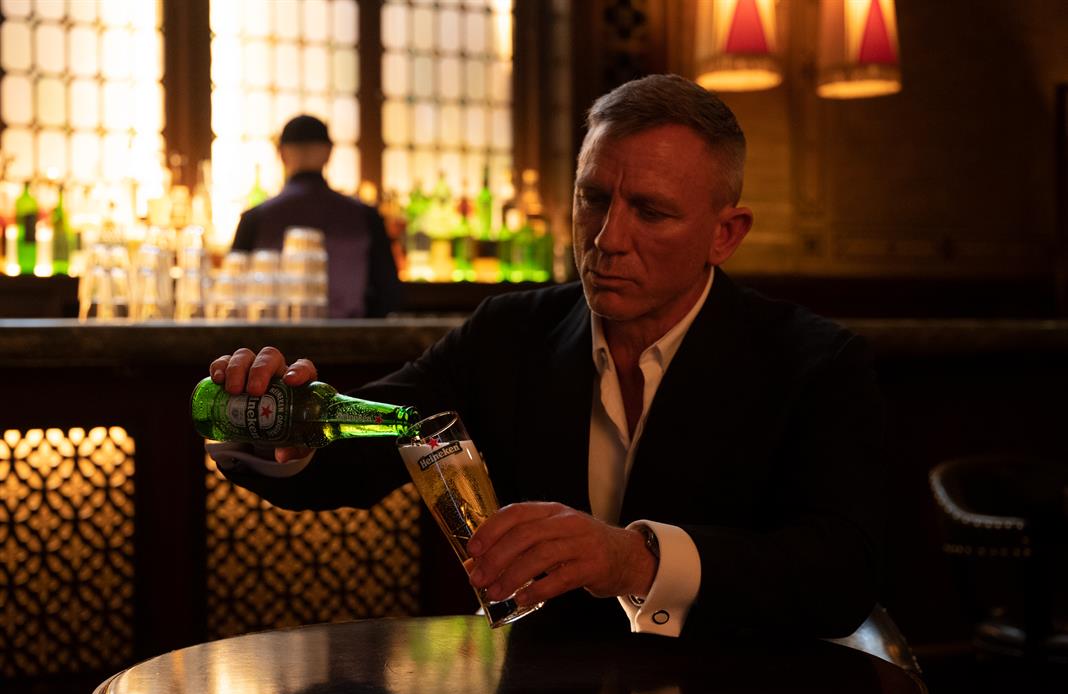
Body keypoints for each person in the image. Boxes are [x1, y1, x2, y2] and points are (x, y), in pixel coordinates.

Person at [209, 74, 885, 641]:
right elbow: (372, 439)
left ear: (725, 235)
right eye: (593, 199)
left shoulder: (814, 364)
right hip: (546, 691)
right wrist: (275, 423)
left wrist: (636, 559)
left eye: (650, 212)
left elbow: (841, 574)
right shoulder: (510, 334)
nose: (607, 238)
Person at [231, 114, 401, 318]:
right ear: (329, 153)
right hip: (351, 333)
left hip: (273, 336)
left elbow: (233, 293)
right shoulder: (366, 216)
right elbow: (389, 294)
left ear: (281, 154)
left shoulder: (255, 218)